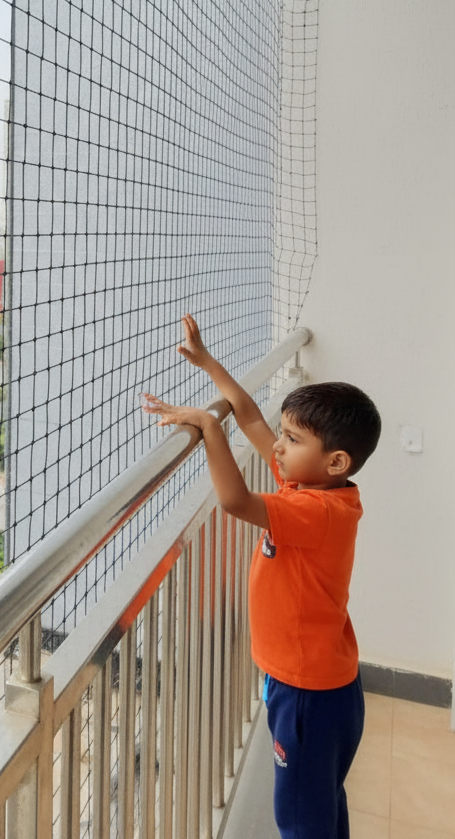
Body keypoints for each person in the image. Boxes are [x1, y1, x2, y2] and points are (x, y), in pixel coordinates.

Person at [143, 315, 381, 839]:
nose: (278, 446)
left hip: (306, 694)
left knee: (299, 820)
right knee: (322, 806)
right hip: (319, 684)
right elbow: (251, 418)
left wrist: (209, 428)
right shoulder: (312, 488)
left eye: (291, 439)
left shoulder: (316, 510)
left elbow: (234, 500)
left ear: (336, 461)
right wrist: (207, 363)